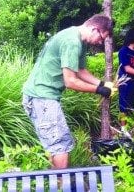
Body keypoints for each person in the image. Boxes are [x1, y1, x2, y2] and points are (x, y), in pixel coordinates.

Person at [22, 14, 113, 170]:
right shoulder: (72, 41)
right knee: (61, 146)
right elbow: (70, 81)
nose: (100, 43)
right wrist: (99, 90)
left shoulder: (79, 39)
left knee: (56, 144)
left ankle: (55, 181)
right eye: (101, 38)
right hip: (41, 98)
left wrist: (102, 83)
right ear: (94, 29)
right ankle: (60, 184)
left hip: (42, 97)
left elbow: (80, 70)